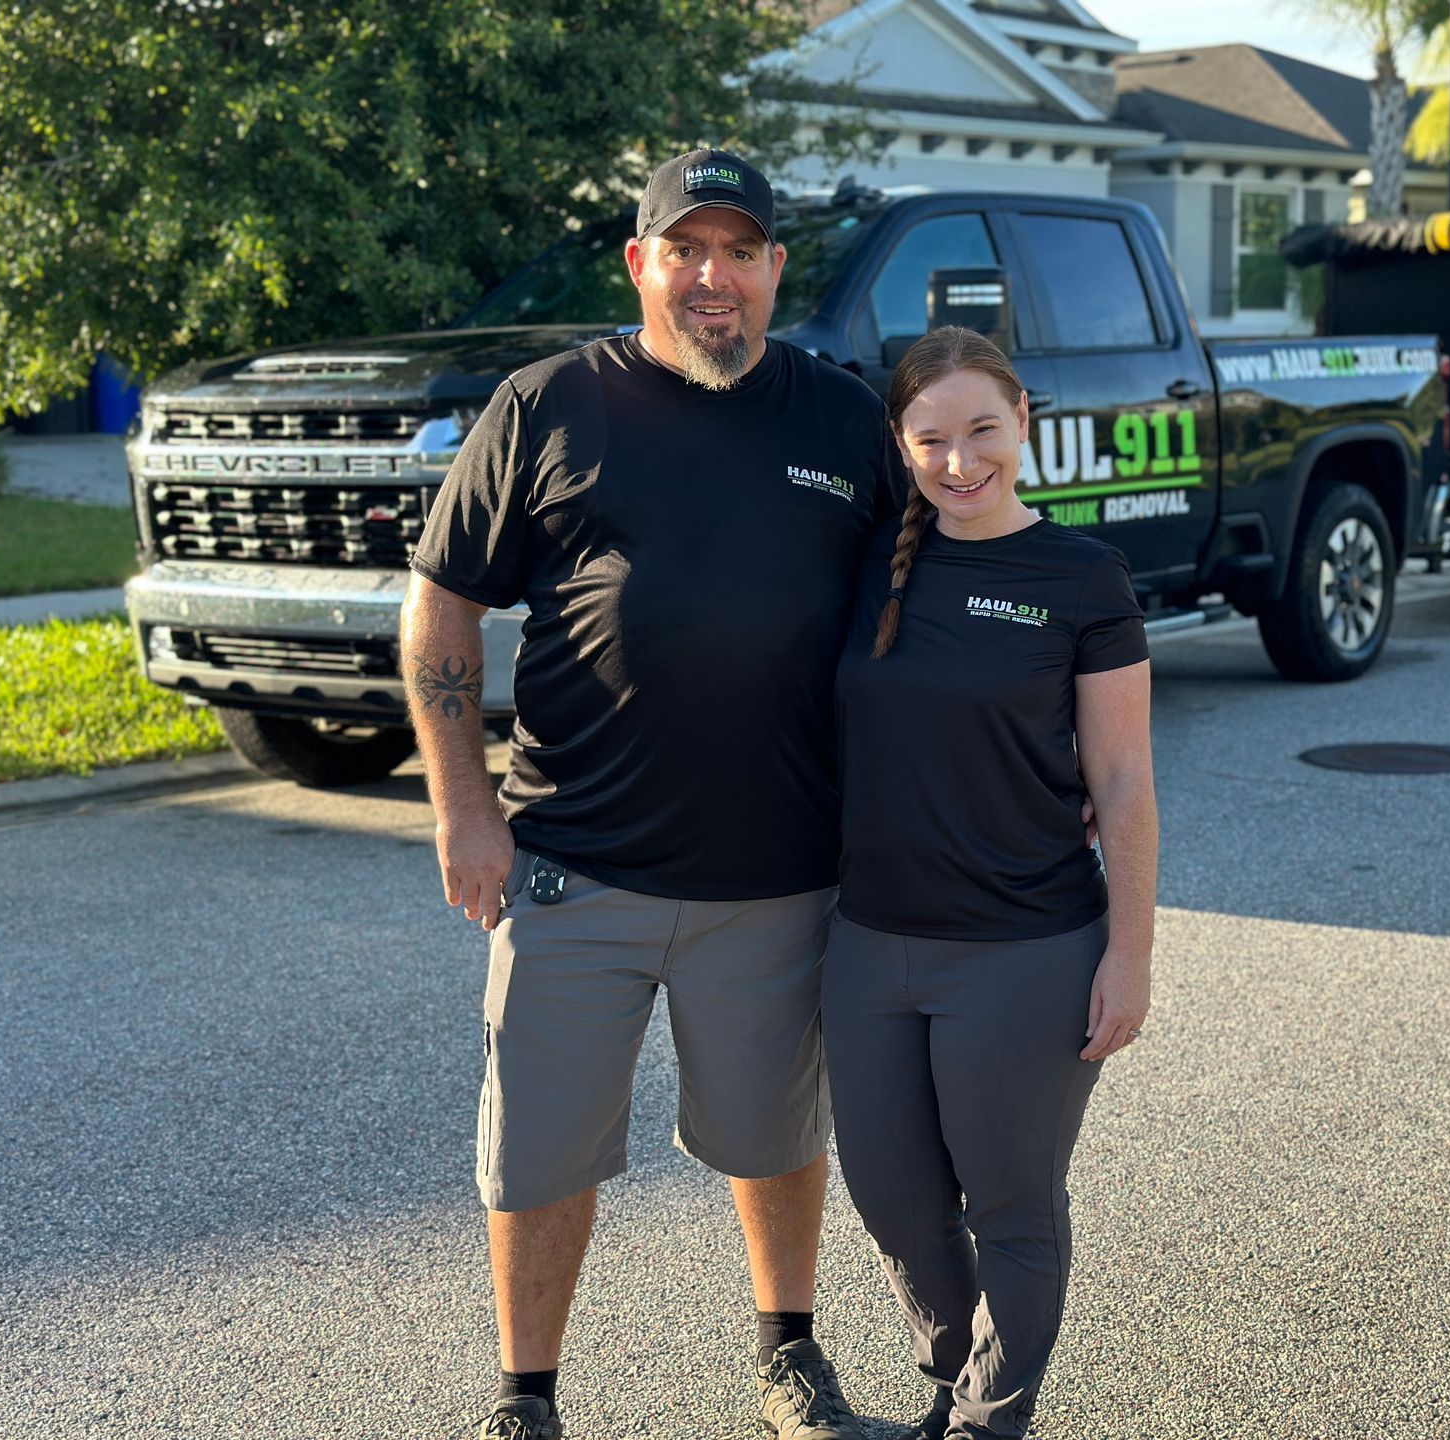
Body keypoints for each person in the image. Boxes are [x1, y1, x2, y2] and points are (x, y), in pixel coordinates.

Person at [400, 148, 899, 1440]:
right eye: (689, 250)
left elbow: (922, 621)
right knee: (539, 1153)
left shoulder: (846, 423)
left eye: (742, 252)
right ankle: (528, 1399)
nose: (715, 278)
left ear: (780, 269)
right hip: (576, 866)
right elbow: (443, 603)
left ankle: (789, 1353)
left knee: (779, 1134)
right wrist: (462, 807)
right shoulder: (548, 405)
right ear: (642, 264)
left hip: (784, 874)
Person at [822, 327, 1159, 1440]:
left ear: (1025, 419)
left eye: (980, 431)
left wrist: (1130, 954)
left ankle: (984, 1423)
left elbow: (1120, 778)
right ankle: (957, 1376)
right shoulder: (868, 559)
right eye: (930, 438)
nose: (958, 462)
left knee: (1011, 1203)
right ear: (900, 444)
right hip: (870, 943)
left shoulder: (1080, 576)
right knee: (892, 1197)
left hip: (1027, 947)